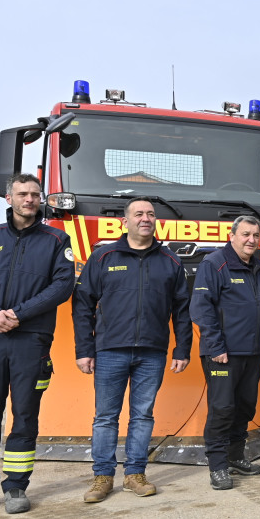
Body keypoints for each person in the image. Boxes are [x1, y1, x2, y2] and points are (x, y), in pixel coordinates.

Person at [0, 174, 75, 517]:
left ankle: (17, 487)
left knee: (24, 416)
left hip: (30, 341)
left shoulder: (56, 239)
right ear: (9, 198)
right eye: (23, 194)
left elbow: (62, 286)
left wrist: (19, 314)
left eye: (35, 194)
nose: (30, 199)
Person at [72, 198, 192, 502]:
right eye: (138, 214)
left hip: (152, 352)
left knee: (142, 415)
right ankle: (102, 477)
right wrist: (84, 349)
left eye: (151, 214)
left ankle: (135, 475)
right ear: (125, 222)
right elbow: (83, 304)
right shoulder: (103, 257)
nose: (146, 218)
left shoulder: (170, 261)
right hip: (110, 350)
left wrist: (182, 349)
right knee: (105, 416)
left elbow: (182, 310)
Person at [190, 215, 260, 490]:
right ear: (232, 236)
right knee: (222, 408)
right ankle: (217, 466)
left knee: (244, 406)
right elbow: (201, 308)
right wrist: (216, 347)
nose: (251, 240)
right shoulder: (214, 264)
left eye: (255, 235)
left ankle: (236, 457)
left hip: (251, 352)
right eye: (245, 234)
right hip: (222, 353)